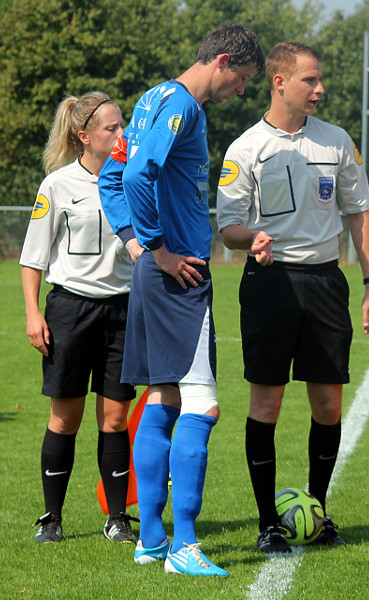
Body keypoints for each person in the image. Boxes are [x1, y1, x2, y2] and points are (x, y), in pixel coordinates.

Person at [98, 23, 263, 577]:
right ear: (221, 61)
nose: (241, 90)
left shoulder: (151, 98)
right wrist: (160, 250)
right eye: (240, 79)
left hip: (160, 272)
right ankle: (184, 546)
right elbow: (139, 174)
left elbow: (111, 178)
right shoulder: (181, 107)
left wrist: (135, 244)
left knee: (164, 398)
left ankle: (149, 540)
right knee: (203, 404)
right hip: (180, 276)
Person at [216, 41, 369, 554]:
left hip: (326, 283)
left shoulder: (336, 141)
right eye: (310, 79)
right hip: (269, 286)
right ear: (279, 82)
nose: (320, 88)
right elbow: (228, 228)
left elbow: (359, 212)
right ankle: (268, 522)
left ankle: (318, 511)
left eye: (320, 79)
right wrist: (253, 239)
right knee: (267, 402)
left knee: (329, 403)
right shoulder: (245, 149)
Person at [19, 91, 141, 545]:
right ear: (83, 135)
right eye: (111, 128)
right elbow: (33, 258)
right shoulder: (57, 185)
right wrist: (34, 313)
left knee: (114, 418)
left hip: (124, 310)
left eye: (122, 125)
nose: (121, 134)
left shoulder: (133, 181)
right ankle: (52, 518)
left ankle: (118, 518)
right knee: (64, 418)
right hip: (70, 310)